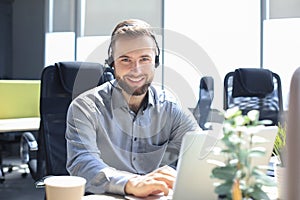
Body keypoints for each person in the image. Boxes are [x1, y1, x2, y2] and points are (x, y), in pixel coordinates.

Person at [65, 19, 200, 197]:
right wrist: (131, 183)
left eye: (144, 59)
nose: (136, 70)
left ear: (155, 62)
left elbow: (198, 150)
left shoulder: (171, 108)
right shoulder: (85, 107)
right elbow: (82, 163)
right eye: (125, 59)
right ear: (112, 64)